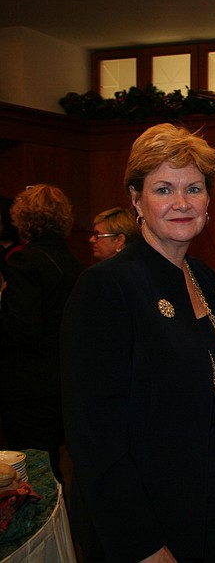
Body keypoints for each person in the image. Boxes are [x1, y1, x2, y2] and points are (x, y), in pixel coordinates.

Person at [61, 123, 215, 562]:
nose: (181, 203)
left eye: (194, 189)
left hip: (206, 503)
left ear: (208, 200)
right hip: (143, 514)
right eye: (164, 189)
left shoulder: (203, 276)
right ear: (135, 198)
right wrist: (140, 542)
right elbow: (94, 436)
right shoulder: (107, 287)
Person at [0, 185, 83, 482]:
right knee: (51, 468)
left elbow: (23, 329)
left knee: (32, 475)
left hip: (29, 388)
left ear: (22, 219)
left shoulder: (25, 262)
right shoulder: (73, 262)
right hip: (63, 382)